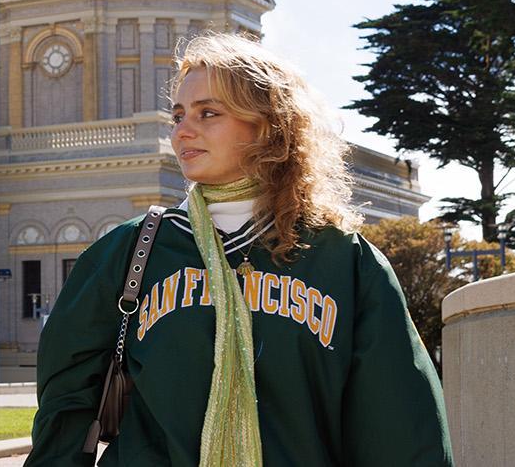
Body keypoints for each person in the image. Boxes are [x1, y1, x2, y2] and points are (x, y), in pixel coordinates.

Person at [27, 33, 453, 465]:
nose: (182, 130)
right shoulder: (128, 252)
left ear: (268, 126)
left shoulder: (345, 260)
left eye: (208, 113)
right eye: (178, 115)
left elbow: (398, 424)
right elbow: (66, 413)